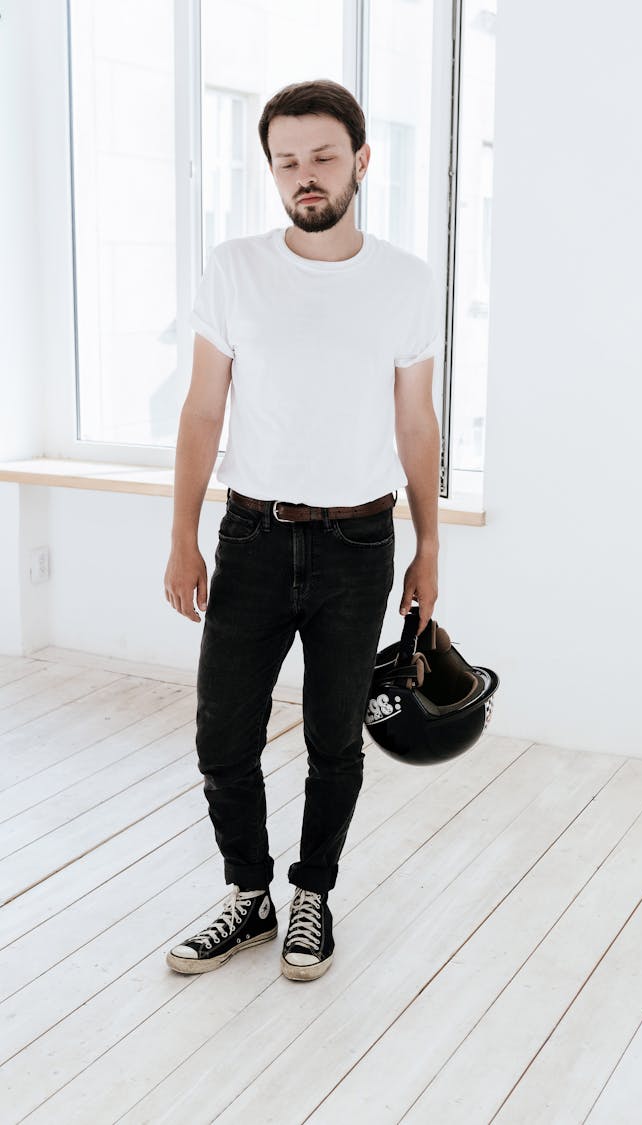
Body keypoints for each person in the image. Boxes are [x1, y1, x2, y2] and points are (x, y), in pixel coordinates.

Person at [163, 79, 441, 982]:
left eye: (323, 157)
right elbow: (203, 412)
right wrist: (182, 535)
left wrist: (431, 545)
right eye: (287, 162)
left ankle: (312, 893)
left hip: (361, 545)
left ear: (362, 160)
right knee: (221, 734)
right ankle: (249, 896)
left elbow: (416, 423)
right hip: (249, 537)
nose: (305, 177)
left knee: (334, 737)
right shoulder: (233, 267)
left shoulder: (402, 280)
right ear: (272, 170)